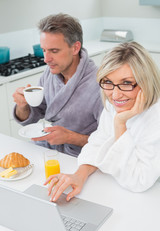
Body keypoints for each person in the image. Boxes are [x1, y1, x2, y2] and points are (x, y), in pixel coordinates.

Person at [45, 41, 160, 202]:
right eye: (108, 82)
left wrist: (120, 124)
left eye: (126, 83)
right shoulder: (115, 104)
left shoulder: (155, 117)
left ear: (146, 81)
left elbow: (138, 181)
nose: (115, 94)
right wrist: (80, 175)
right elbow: (98, 143)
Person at [13, 13, 103, 157]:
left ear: (75, 48)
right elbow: (34, 115)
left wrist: (70, 137)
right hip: (49, 151)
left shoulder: (100, 85)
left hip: (81, 158)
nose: (46, 59)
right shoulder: (50, 73)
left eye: (54, 51)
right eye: (44, 50)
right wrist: (22, 106)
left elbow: (113, 141)